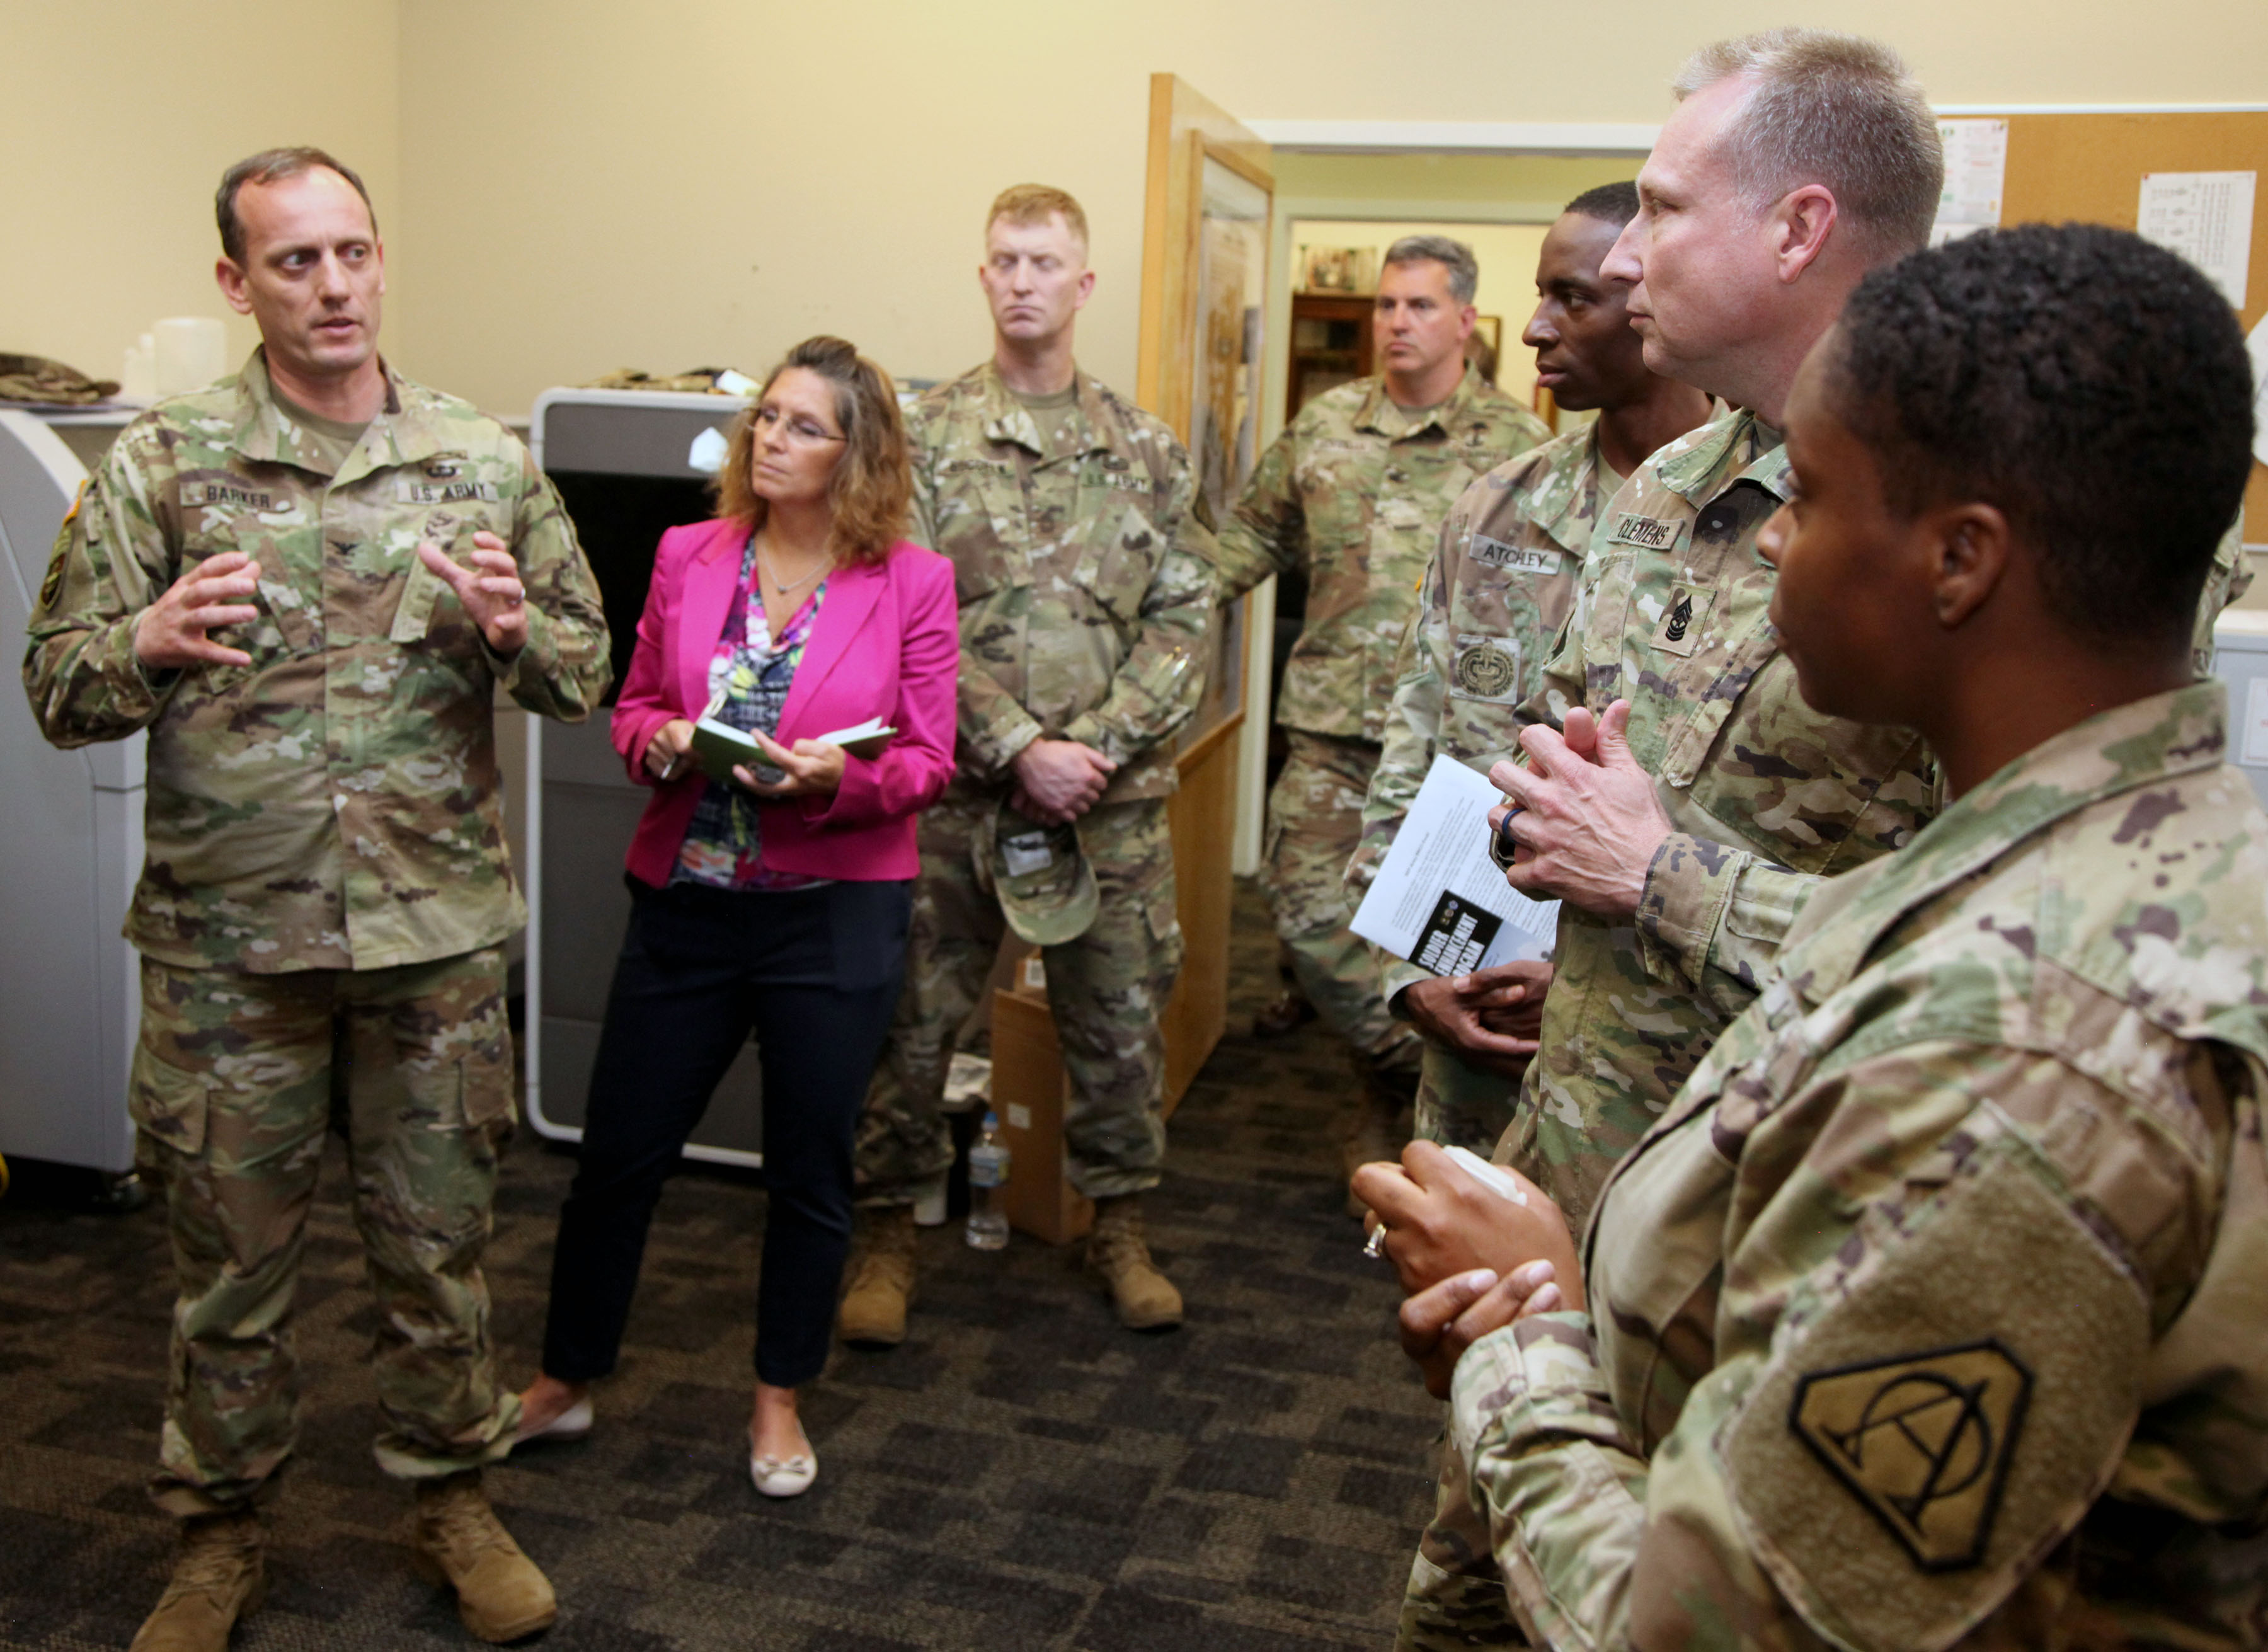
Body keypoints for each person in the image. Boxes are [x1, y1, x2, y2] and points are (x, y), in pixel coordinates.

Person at [1359, 220, 2268, 1650]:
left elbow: (1719, 1633)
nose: (1775, 532)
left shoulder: (2017, 1055)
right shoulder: (2135, 850)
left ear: (1961, 560)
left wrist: (1524, 1334)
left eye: (1820, 496)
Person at [1378, 33, 1947, 1647]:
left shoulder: (1966, 513)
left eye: (1659, 206)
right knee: (1477, 1590)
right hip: (1579, 1180)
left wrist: (1663, 881)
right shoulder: (1672, 489)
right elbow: (1563, 783)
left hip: (1795, 1234)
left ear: (1798, 229)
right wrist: (1485, 946)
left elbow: (2014, 955)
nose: (1620, 261)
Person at [21, 147, 610, 1650]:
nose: (334, 284)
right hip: (234, 952)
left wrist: (513, 628)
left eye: (353, 251)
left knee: (439, 1258)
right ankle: (218, 1540)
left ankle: (453, 1501)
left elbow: (586, 672)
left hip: (434, 947)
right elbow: (54, 694)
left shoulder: (481, 458)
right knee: (228, 1273)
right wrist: (145, 641)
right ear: (237, 282)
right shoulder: (162, 464)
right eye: (295, 262)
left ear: (381, 259)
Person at [511, 338, 958, 1497]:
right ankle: (565, 1377)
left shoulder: (913, 581)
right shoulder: (688, 554)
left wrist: (832, 781)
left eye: (805, 426)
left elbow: (925, 759)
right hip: (690, 905)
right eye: (768, 417)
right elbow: (640, 700)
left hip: (832, 918)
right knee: (617, 1158)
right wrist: (654, 737)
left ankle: (777, 1398)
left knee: (809, 1168)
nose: (772, 439)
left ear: (858, 455)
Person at [838, 184, 1214, 1342]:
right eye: (1003, 260)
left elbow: (1187, 614)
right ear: (984, 275)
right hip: (955, 792)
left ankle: (1120, 1226)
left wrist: (1091, 748)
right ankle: (887, 1235)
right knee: (910, 1021)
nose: (1022, 281)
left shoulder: (1147, 448)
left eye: (1045, 262)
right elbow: (895, 614)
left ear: (1084, 285)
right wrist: (1017, 747)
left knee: (1119, 1019)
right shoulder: (923, 435)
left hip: (1110, 800)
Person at [1351, 184, 1713, 1157]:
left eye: (1573, 298)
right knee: (1460, 1287)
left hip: (1664, 1047)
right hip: (1480, 1005)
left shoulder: (1762, 522)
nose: (1536, 330)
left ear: (1650, 307)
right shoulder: (1499, 508)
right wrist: (1408, 967)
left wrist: (1598, 976)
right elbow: (1419, 735)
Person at [1214, 234, 1550, 1195]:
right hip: (1329, 726)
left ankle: (1408, 1101)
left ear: (1463, 321)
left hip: (1463, 749)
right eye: (1385, 306)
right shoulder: (1325, 426)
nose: (1397, 323)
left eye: (1418, 306)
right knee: (1308, 907)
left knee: (1445, 930)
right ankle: (1402, 1059)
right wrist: (1156, 599)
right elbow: (1251, 534)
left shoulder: (1518, 447)